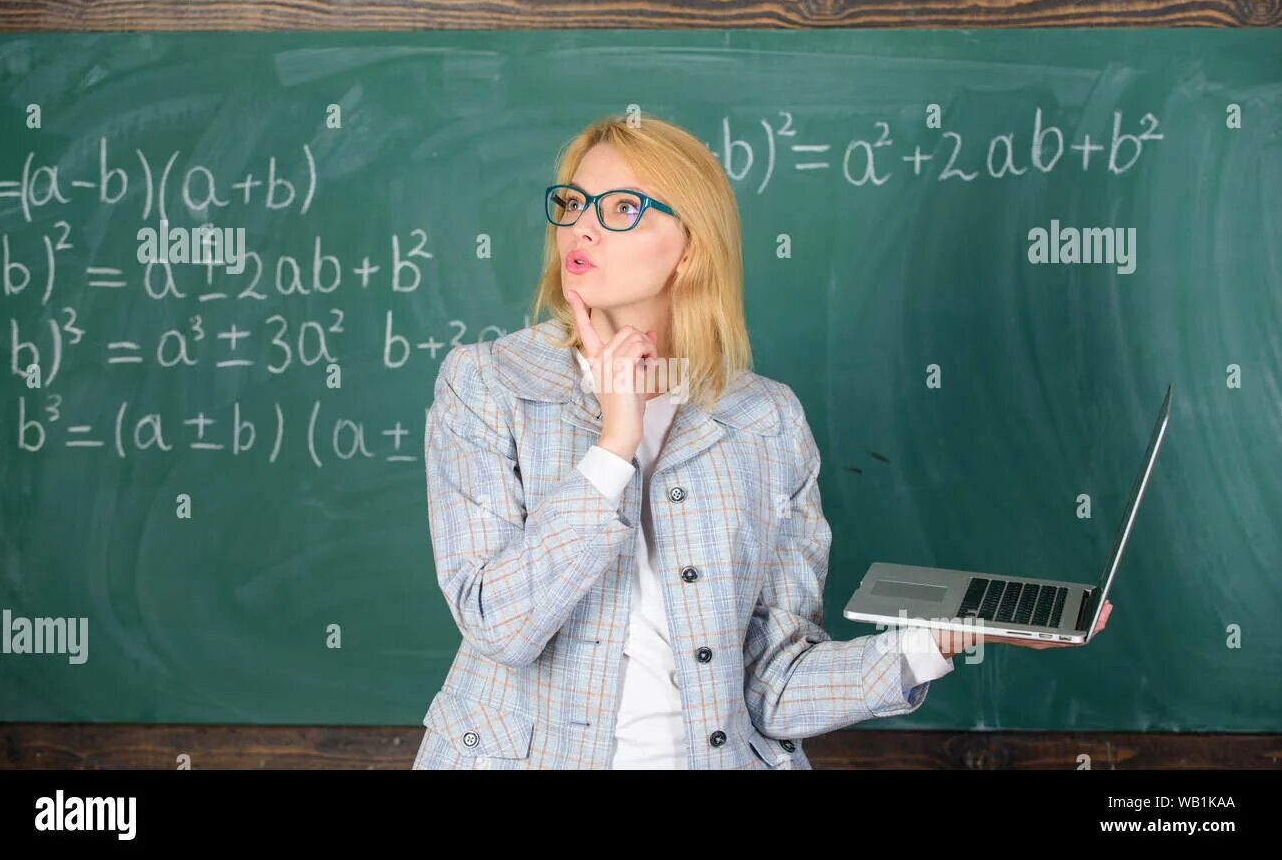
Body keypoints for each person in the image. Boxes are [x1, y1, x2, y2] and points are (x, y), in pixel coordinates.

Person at [412, 113, 1112, 771]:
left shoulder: (765, 421)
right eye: (572, 203)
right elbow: (498, 624)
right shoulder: (488, 386)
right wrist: (615, 441)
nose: (581, 230)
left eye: (621, 209)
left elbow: (773, 686)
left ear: (690, 246)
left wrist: (946, 636)